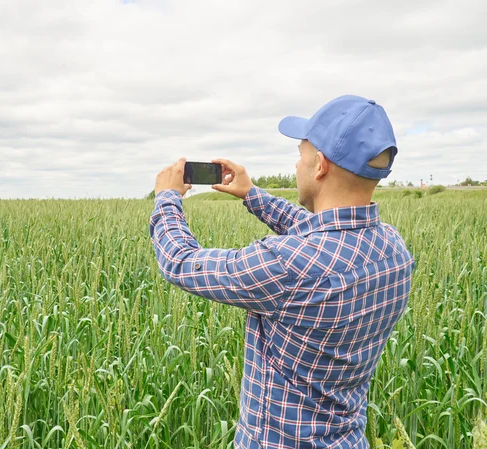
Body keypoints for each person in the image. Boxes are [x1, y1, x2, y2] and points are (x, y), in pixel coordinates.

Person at [149, 95, 414, 448]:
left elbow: (180, 262)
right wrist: (251, 194)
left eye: (301, 155)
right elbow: (322, 233)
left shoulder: (288, 264)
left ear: (319, 165)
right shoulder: (393, 248)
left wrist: (167, 198)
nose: (297, 164)